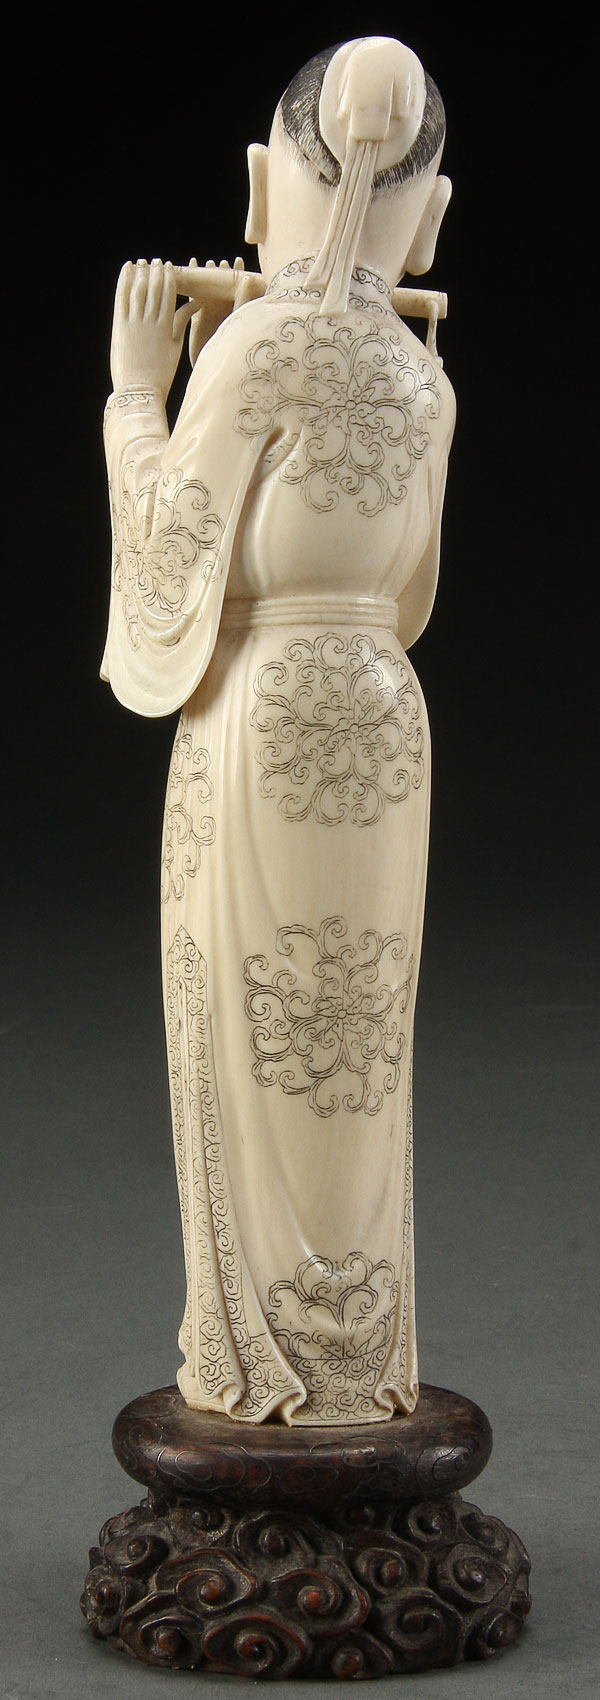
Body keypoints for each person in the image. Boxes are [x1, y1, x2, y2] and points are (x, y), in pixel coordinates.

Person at [102, 36, 456, 1424]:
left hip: (264, 705)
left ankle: (260, 1361)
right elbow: (409, 594)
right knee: (354, 1029)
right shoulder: (425, 375)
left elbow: (171, 558)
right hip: (381, 704)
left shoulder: (251, 343)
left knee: (253, 1018)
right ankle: (361, 1358)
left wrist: (139, 392)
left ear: (263, 189)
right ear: (430, 216)